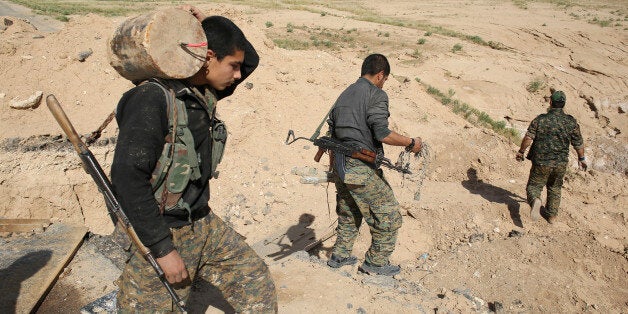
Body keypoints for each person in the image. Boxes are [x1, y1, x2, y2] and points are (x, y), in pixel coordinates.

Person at [111, 6, 277, 312]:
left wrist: (206, 26)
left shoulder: (202, 91)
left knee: (254, 280)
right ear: (209, 57)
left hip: (203, 223)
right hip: (162, 230)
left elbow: (250, 60)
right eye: (233, 66)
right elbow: (126, 175)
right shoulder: (152, 98)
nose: (239, 75)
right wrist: (162, 249)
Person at [325, 54, 423, 276]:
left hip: (340, 165)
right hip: (358, 166)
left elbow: (331, 131)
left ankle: (339, 256)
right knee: (388, 215)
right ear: (381, 75)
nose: (383, 83)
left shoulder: (345, 93)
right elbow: (382, 133)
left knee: (349, 211)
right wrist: (411, 143)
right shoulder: (376, 94)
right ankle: (376, 264)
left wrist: (334, 170)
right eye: (384, 79)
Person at [516, 90, 586, 224]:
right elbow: (578, 143)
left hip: (541, 161)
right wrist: (581, 159)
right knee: (555, 187)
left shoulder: (540, 120)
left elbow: (528, 137)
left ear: (550, 102)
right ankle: (551, 216)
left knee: (534, 186)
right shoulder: (571, 122)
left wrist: (521, 151)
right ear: (564, 104)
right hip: (560, 163)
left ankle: (536, 200)